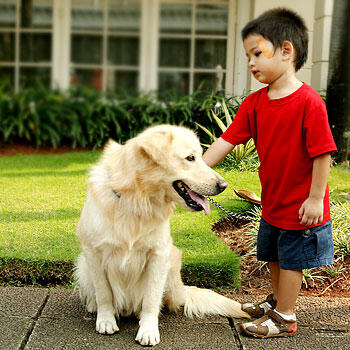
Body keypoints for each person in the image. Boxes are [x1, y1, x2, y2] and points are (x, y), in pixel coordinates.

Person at [203, 8, 337, 338]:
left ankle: (285, 317)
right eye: (248, 55)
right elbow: (227, 140)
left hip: (301, 205)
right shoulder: (254, 103)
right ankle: (277, 302)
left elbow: (323, 154)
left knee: (291, 261)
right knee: (274, 256)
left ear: (286, 50)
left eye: (257, 53)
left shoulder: (309, 103)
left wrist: (316, 198)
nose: (251, 62)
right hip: (273, 202)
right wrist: (195, 170)